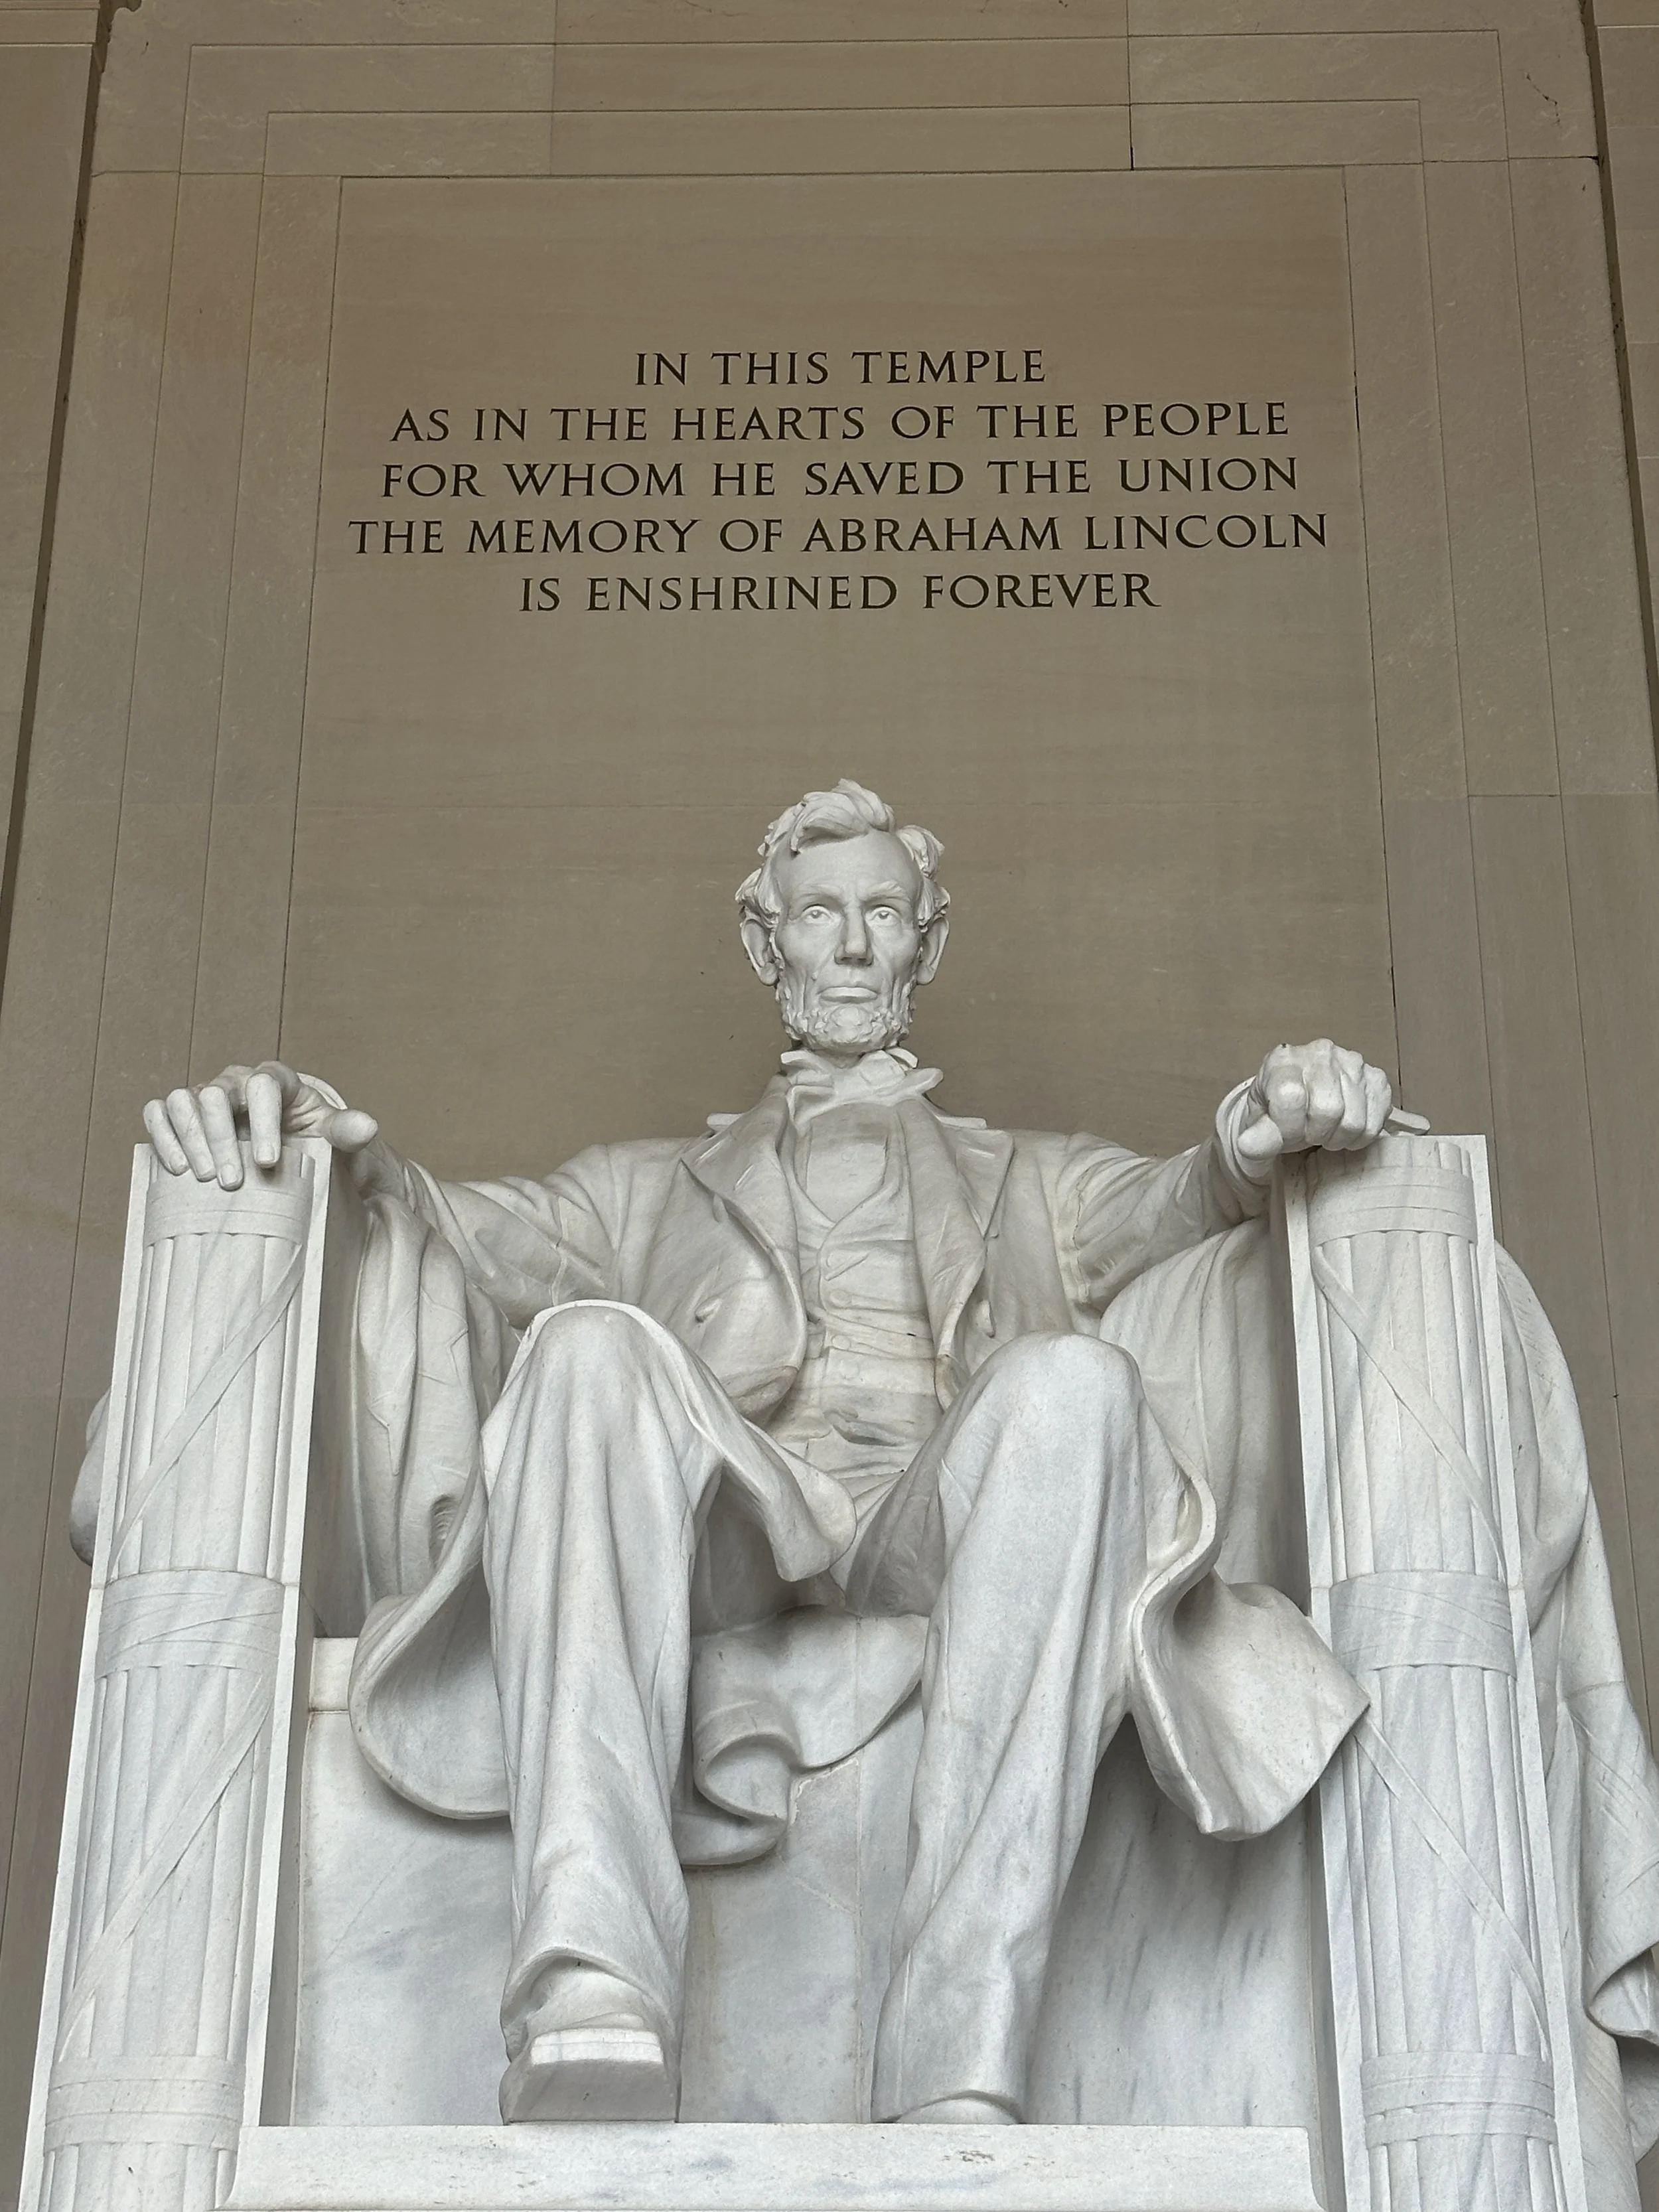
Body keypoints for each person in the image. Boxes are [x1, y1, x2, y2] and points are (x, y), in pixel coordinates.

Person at [139, 780, 1403, 2126]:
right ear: (766, 946)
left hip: (942, 1528)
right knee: (583, 1347)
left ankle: (956, 2046)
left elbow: (1182, 1195)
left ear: (925, 943)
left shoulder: (1034, 1181)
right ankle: (589, 1986)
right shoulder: (641, 1187)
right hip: (732, 1522)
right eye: (819, 917)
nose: (852, 946)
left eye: (881, 915)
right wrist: (314, 1130)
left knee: (1074, 1384)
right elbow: (451, 1224)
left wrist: (1259, 1123)